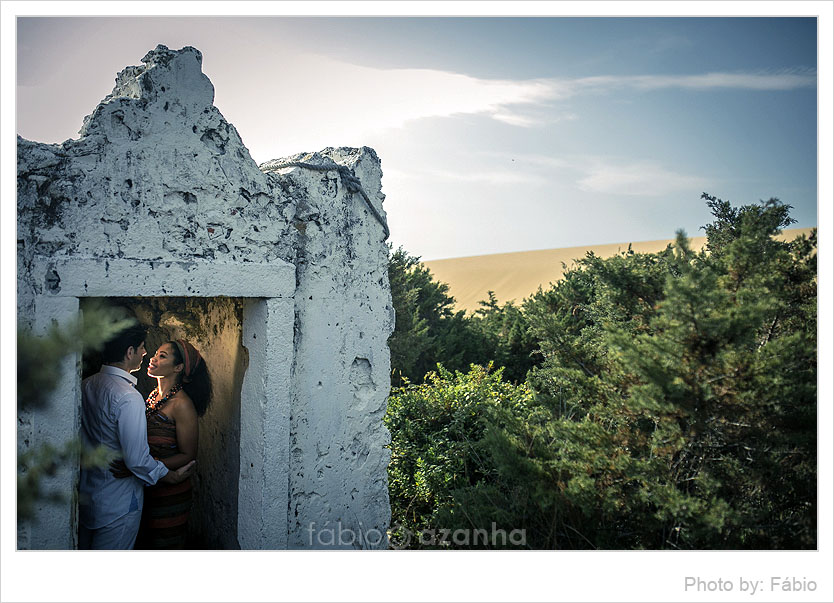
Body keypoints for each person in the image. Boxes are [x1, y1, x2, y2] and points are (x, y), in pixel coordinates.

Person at [78, 323, 195, 550]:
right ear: (129, 352)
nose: (145, 354)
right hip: (118, 502)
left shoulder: (87, 385)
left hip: (90, 495)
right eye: (142, 348)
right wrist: (168, 476)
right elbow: (137, 460)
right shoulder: (128, 396)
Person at [134, 339, 212, 549]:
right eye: (156, 353)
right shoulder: (153, 397)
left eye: (162, 356)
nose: (153, 358)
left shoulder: (182, 405)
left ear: (178, 368)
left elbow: (188, 455)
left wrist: (152, 466)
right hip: (148, 483)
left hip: (169, 494)